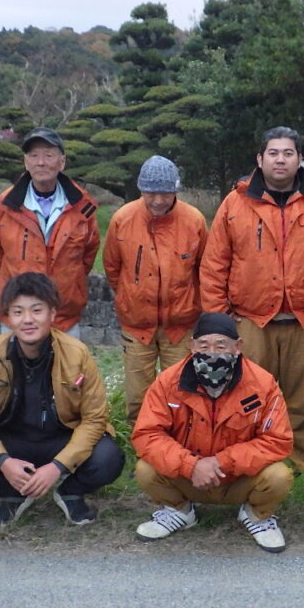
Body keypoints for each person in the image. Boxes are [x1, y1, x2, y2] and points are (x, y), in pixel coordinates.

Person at [200, 126, 304, 471]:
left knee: (301, 401)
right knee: (248, 397)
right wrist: (222, 319)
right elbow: (214, 264)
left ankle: (302, 462)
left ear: (300, 159)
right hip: (250, 320)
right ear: (260, 159)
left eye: (288, 153)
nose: (281, 159)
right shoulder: (236, 203)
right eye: (273, 153)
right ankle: (253, 462)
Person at [0, 272, 124, 526]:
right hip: (11, 441)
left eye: (36, 310)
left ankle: (70, 492)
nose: (27, 320)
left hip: (61, 439)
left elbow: (95, 418)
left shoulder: (77, 353)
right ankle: (15, 493)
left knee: (109, 458)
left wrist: (57, 467)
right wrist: (3, 462)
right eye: (18, 312)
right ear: (8, 317)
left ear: (52, 314)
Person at [131, 312, 294, 553]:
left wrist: (222, 462)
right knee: (145, 470)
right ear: (191, 346)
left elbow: (277, 440)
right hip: (188, 477)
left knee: (279, 477)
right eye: (203, 345)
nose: (212, 352)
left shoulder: (263, 384)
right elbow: (147, 434)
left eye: (221, 345)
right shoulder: (168, 382)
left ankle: (256, 516)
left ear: (238, 347)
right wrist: (191, 465)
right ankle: (179, 511)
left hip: (239, 478)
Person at [104, 155, 208, 424]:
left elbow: (204, 269)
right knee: (138, 393)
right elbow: (113, 268)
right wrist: (131, 298)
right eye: (151, 192)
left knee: (181, 390)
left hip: (181, 324)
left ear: (175, 190)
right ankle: (141, 443)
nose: (158, 200)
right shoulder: (122, 219)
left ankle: (179, 441)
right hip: (137, 324)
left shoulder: (194, 220)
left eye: (165, 192)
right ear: (141, 189)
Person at [0, 127, 100, 338]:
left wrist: (68, 281)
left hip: (65, 314)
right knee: (15, 371)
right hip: (17, 313)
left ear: (62, 162)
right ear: (25, 162)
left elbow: (88, 254)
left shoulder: (82, 205)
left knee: (65, 370)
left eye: (48, 155)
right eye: (34, 155)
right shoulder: (6, 204)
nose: (41, 162)